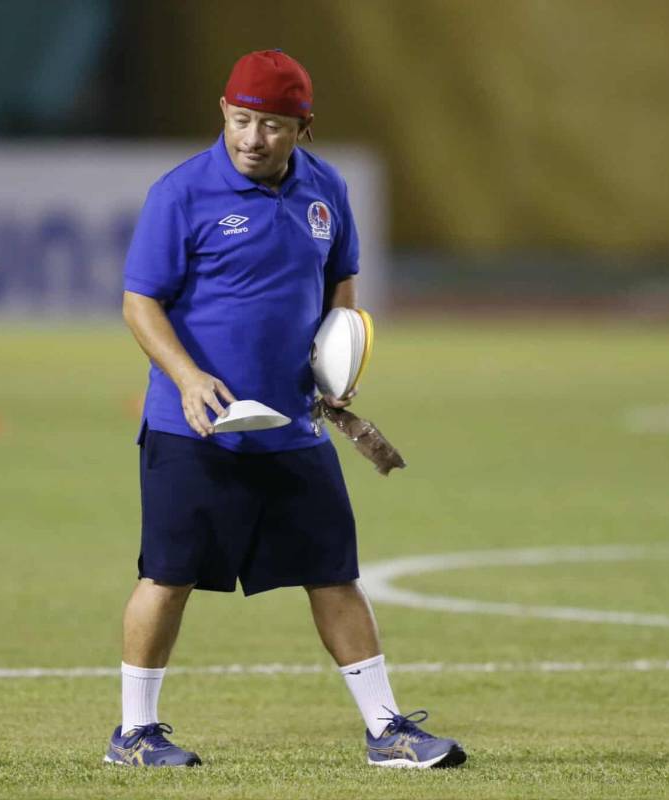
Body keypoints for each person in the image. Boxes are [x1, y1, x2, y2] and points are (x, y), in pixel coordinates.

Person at [106, 49, 466, 769]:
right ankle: (135, 734)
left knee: (334, 573)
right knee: (168, 577)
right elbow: (138, 302)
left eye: (271, 125)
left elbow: (342, 288)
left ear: (301, 128)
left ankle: (386, 729)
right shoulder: (180, 194)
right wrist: (185, 377)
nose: (251, 138)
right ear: (223, 112)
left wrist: (338, 367)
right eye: (241, 120)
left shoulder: (325, 189)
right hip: (195, 427)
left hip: (293, 429)